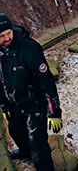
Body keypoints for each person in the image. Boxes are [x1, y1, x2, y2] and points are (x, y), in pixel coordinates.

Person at [0, 13, 62, 171]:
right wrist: (4, 106)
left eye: (8, 33)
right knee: (16, 132)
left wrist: (54, 112)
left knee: (38, 145)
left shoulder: (29, 48)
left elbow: (46, 81)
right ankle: (25, 153)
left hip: (34, 104)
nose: (7, 38)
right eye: (1, 36)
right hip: (14, 103)